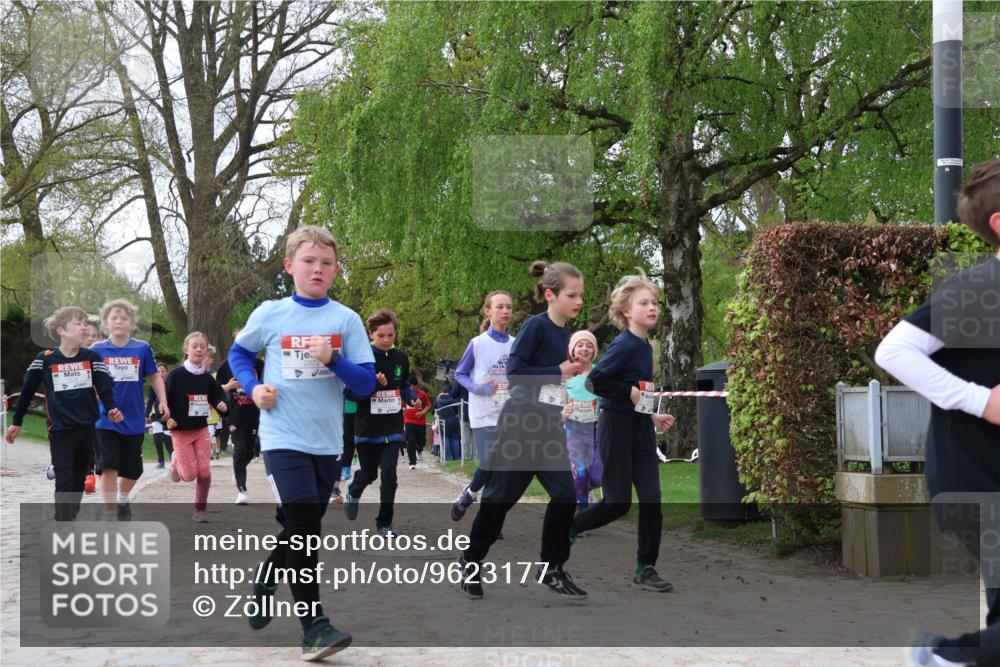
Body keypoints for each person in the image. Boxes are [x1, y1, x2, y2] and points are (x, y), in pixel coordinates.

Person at [228, 225, 375, 661]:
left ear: (336, 270)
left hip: (326, 443)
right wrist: (254, 387)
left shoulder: (346, 320)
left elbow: (366, 384)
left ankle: (268, 573)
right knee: (305, 529)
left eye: (326, 263)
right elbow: (238, 354)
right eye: (308, 261)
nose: (317, 269)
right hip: (281, 437)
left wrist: (334, 359)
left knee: (300, 529)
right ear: (289, 265)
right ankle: (314, 627)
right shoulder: (272, 313)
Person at [875, 159, 1000, 667]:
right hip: (975, 478)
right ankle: (941, 659)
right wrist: (980, 399)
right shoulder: (983, 287)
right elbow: (893, 351)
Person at [458, 261, 588, 601]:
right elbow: (515, 374)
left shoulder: (568, 335)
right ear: (550, 295)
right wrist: (557, 372)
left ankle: (552, 568)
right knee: (499, 500)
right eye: (572, 295)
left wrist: (570, 380)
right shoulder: (535, 327)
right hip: (520, 426)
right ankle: (471, 559)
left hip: (550, 427)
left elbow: (558, 378)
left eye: (581, 296)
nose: (578, 301)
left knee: (566, 495)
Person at [570, 272, 676, 592]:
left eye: (655, 302)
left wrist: (652, 416)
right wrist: (628, 392)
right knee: (617, 503)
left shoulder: (645, 345)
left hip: (641, 429)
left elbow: (640, 389)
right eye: (644, 303)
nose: (652, 307)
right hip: (615, 428)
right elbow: (595, 382)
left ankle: (645, 567)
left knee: (652, 501)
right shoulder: (624, 344)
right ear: (627, 311)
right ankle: (566, 528)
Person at [5, 306, 123, 521]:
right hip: (60, 430)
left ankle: (69, 516)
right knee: (64, 480)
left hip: (86, 429)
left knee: (78, 480)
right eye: (78, 324)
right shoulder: (45, 359)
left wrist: (111, 408)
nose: (84, 328)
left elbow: (105, 386)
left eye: (85, 324)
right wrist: (17, 421)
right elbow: (27, 391)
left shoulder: (92, 357)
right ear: (61, 330)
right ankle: (63, 523)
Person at [344, 308, 420, 537]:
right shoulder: (361, 358)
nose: (386, 340)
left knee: (389, 474)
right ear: (371, 334)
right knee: (369, 474)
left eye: (391, 335)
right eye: (381, 336)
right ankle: (354, 489)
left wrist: (412, 397)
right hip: (367, 427)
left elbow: (403, 385)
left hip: (393, 425)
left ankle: (384, 523)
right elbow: (349, 393)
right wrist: (374, 385)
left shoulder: (401, 358)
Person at [92, 298, 169, 521]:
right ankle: (109, 514)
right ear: (106, 322)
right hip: (104, 417)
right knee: (109, 466)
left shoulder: (142, 348)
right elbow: (88, 378)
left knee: (134, 470)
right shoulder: (97, 350)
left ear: (132, 323)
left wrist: (163, 401)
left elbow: (155, 376)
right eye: (114, 317)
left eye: (124, 318)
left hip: (133, 418)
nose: (119, 321)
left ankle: (123, 497)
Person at [451, 290, 515, 520]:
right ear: (488, 311)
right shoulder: (477, 344)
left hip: (509, 414)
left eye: (509, 307)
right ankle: (469, 493)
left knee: (502, 472)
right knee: (489, 462)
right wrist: (479, 388)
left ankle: (490, 519)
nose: (506, 311)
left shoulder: (516, 344)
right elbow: (460, 374)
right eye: (500, 307)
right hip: (484, 412)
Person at [165, 332, 227, 522]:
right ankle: (176, 463)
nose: (199, 349)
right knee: (189, 475)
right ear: (186, 349)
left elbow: (218, 394)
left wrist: (222, 404)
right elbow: (163, 400)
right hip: (180, 431)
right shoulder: (176, 375)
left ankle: (200, 509)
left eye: (202, 347)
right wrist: (167, 418)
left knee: (205, 471)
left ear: (206, 351)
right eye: (195, 346)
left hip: (201, 429)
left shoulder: (206, 378)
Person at [216, 333, 263, 505]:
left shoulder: (260, 365)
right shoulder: (226, 365)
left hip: (254, 414)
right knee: (240, 449)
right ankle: (242, 491)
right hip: (235, 414)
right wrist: (227, 389)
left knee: (250, 453)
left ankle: (238, 471)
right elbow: (215, 388)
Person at [561, 330, 603, 510]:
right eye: (580, 345)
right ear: (572, 350)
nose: (584, 349)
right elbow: (556, 406)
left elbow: (611, 395)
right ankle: (582, 512)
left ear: (594, 351)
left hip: (597, 430)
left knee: (598, 476)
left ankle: (581, 492)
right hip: (573, 430)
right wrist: (563, 412)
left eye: (589, 346)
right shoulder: (565, 375)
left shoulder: (600, 372)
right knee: (580, 473)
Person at [147, 362, 173, 468]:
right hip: (156, 416)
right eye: (158, 371)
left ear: (167, 372)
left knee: (168, 440)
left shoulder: (171, 384)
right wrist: (146, 414)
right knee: (157, 438)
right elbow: (150, 401)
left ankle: (173, 459)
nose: (161, 373)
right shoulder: (153, 386)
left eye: (163, 371)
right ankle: (161, 461)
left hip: (169, 416)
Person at [403, 376, 431, 469]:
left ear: (415, 386)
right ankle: (412, 462)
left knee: (421, 441)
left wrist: (422, 412)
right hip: (409, 420)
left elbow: (428, 405)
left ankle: (419, 449)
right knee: (410, 440)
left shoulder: (422, 394)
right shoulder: (405, 394)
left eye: (411, 386)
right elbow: (402, 405)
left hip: (420, 422)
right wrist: (404, 409)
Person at [433, 386, 461, 461]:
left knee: (445, 440)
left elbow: (433, 411)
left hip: (443, 422)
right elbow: (456, 411)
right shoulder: (454, 400)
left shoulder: (438, 401)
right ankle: (457, 458)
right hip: (454, 423)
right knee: (455, 440)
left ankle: (447, 459)